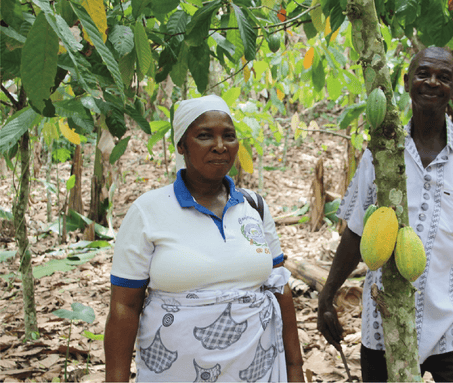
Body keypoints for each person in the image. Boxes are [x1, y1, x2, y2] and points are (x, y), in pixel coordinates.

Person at [317, 47, 453, 382]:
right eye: (424, 73)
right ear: (407, 80)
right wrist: (328, 294)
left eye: (444, 77)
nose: (432, 82)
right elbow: (356, 232)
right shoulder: (380, 154)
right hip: (386, 323)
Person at [104, 95, 304, 382]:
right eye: (205, 136)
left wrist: (295, 370)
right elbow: (125, 306)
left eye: (229, 136)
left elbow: (278, 288)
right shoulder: (148, 211)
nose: (220, 146)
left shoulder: (254, 206)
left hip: (256, 370)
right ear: (182, 146)